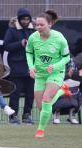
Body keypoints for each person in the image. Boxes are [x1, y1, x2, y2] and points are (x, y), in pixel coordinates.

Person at [26, 10, 71, 138]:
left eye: (42, 25)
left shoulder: (60, 38)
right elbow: (29, 52)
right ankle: (62, 90)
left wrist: (55, 66)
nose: (38, 27)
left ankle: (40, 130)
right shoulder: (33, 37)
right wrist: (31, 67)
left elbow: (66, 58)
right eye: (37, 25)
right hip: (40, 74)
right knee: (41, 107)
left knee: (47, 99)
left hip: (55, 73)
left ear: (50, 24)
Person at [3, 7, 35, 124]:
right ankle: (13, 116)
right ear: (19, 19)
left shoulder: (34, 30)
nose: (25, 21)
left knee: (30, 94)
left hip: (31, 68)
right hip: (16, 68)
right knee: (15, 94)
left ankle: (27, 115)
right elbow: (6, 46)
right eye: (23, 19)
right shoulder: (12, 30)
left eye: (27, 19)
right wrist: (20, 43)